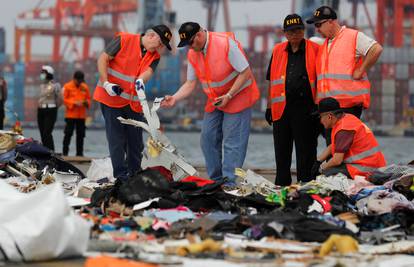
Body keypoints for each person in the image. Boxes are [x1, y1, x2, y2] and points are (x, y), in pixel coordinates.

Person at [162, 22, 260, 186]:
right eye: (186, 46)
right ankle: (216, 181)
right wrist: (174, 98)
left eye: (191, 43)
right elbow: (190, 83)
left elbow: (246, 73)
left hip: (238, 95)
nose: (190, 48)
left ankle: (230, 183)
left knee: (232, 142)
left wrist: (229, 95)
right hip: (216, 99)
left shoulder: (225, 43)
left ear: (199, 35)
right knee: (207, 138)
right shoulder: (193, 53)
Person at [94, 24, 172, 181]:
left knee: (135, 143)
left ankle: (135, 174)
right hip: (111, 98)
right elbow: (103, 59)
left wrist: (141, 81)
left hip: (134, 105)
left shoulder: (155, 56)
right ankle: (121, 176)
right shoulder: (123, 40)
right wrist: (106, 83)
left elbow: (147, 72)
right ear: (152, 36)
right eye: (161, 43)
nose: (160, 48)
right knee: (116, 139)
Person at [306, 6, 383, 144]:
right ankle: (333, 165)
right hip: (329, 106)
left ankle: (342, 166)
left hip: (347, 105)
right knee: (333, 144)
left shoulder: (352, 36)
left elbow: (376, 49)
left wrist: (361, 70)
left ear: (331, 21)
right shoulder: (325, 44)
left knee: (342, 145)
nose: (317, 29)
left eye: (319, 24)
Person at [265, 14, 320, 186]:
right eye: (290, 31)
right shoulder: (277, 51)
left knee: (306, 153)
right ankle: (282, 187)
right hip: (281, 110)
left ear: (303, 31)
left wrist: (319, 108)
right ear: (285, 33)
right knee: (282, 154)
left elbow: (322, 79)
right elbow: (271, 81)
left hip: (307, 110)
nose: (294, 34)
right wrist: (269, 108)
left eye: (297, 30)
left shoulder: (315, 49)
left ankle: (306, 187)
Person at [313, 97, 386, 179]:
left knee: (327, 175)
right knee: (329, 170)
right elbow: (333, 146)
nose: (320, 121)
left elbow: (337, 160)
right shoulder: (346, 119)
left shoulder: (344, 129)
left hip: (367, 169)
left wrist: (321, 169)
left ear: (330, 116)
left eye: (321, 117)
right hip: (372, 165)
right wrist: (318, 161)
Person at [62, 71, 90, 156]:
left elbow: (89, 99)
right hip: (70, 115)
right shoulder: (67, 86)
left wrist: (86, 102)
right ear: (74, 79)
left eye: (81, 80)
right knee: (68, 134)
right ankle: (65, 153)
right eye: (78, 80)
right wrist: (74, 103)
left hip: (81, 116)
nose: (80, 82)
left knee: (81, 135)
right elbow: (64, 99)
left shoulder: (85, 87)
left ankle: (79, 154)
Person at [38, 65, 62, 151]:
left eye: (43, 73)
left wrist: (55, 108)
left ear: (49, 74)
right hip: (41, 110)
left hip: (51, 109)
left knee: (47, 132)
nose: (41, 74)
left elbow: (60, 99)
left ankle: (51, 151)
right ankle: (45, 151)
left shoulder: (55, 85)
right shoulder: (41, 85)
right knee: (42, 133)